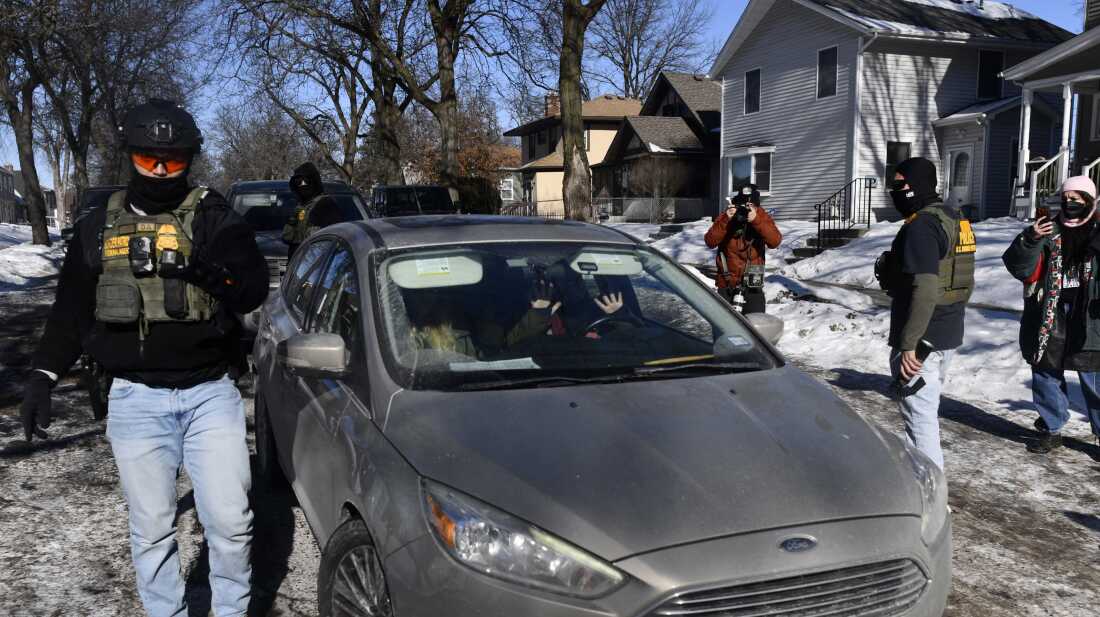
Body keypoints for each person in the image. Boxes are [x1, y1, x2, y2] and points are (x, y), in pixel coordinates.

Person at [19, 99, 268, 616]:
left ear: (189, 159)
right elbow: (69, 312)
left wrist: (205, 270)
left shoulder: (213, 216)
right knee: (152, 530)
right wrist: (42, 375)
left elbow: (250, 291)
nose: (159, 169)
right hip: (134, 399)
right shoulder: (96, 227)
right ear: (130, 154)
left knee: (230, 521)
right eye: (149, 157)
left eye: (173, 159)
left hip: (209, 395)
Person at [877, 157, 974, 470]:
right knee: (923, 415)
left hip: (923, 342)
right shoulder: (952, 217)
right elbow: (960, 281)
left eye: (901, 184)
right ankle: (922, 481)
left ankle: (933, 494)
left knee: (921, 423)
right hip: (946, 335)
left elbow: (927, 288)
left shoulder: (922, 225)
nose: (895, 190)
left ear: (919, 184)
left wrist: (910, 344)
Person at [1002, 175, 1100, 455]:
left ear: (1090, 201)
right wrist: (1031, 239)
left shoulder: (1099, 231)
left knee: (1094, 378)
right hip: (1048, 313)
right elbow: (1018, 267)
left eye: (1078, 200)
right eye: (1067, 199)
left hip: (1090, 317)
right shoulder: (1046, 230)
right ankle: (1052, 427)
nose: (1071, 204)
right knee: (1046, 373)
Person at [704, 184, 782, 314]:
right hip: (726, 284)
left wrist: (756, 220)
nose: (746, 209)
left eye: (751, 205)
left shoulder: (761, 216)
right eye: (744, 205)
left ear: (756, 205)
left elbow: (775, 241)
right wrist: (726, 219)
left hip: (753, 283)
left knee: (755, 326)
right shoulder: (727, 216)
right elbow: (710, 241)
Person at [282, 161, 343, 258]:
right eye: (298, 182)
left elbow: (328, 242)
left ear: (314, 182)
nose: (302, 185)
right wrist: (292, 220)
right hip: (296, 265)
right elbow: (286, 237)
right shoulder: (299, 208)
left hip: (316, 265)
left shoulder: (326, 205)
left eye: (305, 181)